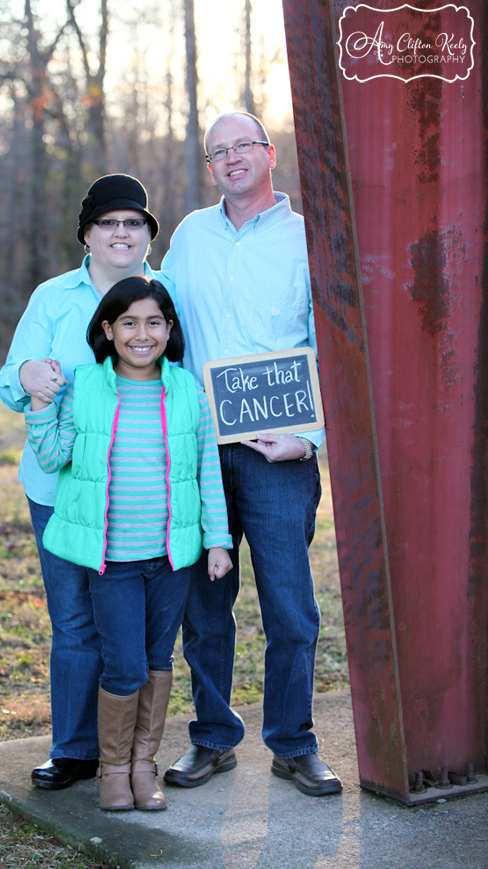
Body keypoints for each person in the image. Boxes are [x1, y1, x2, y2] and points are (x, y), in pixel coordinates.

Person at [157, 111, 342, 797]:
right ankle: (212, 739)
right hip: (200, 452)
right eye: (218, 152)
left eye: (243, 146)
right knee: (204, 608)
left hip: (280, 454)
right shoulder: (190, 236)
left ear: (269, 154)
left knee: (291, 609)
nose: (231, 158)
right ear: (210, 169)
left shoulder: (309, 235)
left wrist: (312, 438)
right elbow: (158, 319)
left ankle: (294, 743)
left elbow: (336, 345)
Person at [25, 276, 233, 812]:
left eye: (154, 323)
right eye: (130, 323)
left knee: (158, 658)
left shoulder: (186, 390)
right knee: (124, 665)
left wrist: (217, 540)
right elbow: (52, 458)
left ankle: (144, 767)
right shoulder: (86, 387)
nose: (143, 334)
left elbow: (207, 470)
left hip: (171, 559)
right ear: (109, 330)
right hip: (112, 561)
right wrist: (40, 403)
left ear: (170, 329)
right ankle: (113, 771)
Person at [0, 174, 160, 790]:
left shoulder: (165, 293)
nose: (122, 233)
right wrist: (30, 373)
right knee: (73, 620)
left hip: (140, 489)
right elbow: (11, 379)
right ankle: (74, 749)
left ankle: (132, 754)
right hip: (59, 487)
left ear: (147, 234)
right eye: (108, 223)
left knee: (138, 628)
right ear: (87, 235)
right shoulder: (53, 297)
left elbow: (187, 385)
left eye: (134, 223)